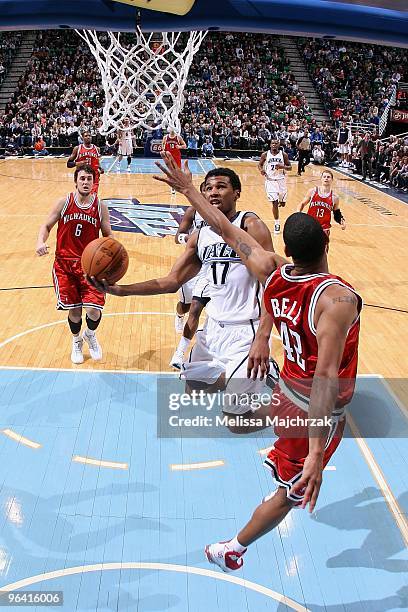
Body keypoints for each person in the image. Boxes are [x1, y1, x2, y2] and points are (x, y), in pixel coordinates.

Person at [152, 151, 362, 572]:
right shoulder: (338, 300)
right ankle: (234, 547)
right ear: (327, 243)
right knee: (290, 493)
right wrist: (318, 454)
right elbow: (324, 380)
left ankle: (267, 409)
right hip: (313, 408)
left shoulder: (274, 273)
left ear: (286, 249)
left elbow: (225, 229)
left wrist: (191, 189)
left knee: (257, 421)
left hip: (287, 390)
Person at [89, 167, 275, 427]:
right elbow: (171, 281)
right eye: (208, 188)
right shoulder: (200, 237)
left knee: (236, 423)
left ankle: (289, 409)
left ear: (237, 193)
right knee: (194, 389)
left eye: (221, 187)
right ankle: (242, 377)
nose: (213, 192)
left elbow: (274, 286)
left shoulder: (251, 225)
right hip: (213, 331)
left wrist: (263, 339)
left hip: (247, 332)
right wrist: (122, 290)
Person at [36, 165, 113, 364]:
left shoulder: (100, 206)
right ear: (76, 181)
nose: (86, 182)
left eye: (89, 179)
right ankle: (77, 340)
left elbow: (108, 235)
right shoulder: (65, 202)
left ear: (94, 182)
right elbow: (46, 226)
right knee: (76, 311)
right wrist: (40, 242)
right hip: (65, 265)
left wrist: (112, 255)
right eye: (82, 179)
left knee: (94, 311)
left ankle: (90, 334)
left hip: (90, 267)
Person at [170, 183, 211, 369]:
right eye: (207, 189)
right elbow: (178, 236)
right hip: (193, 264)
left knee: (198, 309)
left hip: (212, 267)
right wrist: (191, 239)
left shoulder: (221, 213)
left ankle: (179, 354)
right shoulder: (193, 211)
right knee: (186, 306)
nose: (210, 193)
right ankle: (179, 315)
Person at [297, 170, 345, 237]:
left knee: (323, 247)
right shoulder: (313, 191)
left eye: (328, 177)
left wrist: (341, 221)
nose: (326, 178)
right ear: (321, 179)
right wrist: (298, 214)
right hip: (310, 225)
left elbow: (336, 212)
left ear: (332, 180)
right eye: (324, 177)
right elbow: (302, 204)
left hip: (324, 228)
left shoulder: (335, 197)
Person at [258, 140, 291, 235]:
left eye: (276, 143)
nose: (274, 145)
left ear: (279, 145)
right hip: (270, 181)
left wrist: (283, 166)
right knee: (274, 202)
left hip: (281, 180)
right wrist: (261, 170)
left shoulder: (283, 155)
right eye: (272, 143)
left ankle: (282, 200)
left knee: (283, 203)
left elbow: (290, 167)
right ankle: (277, 223)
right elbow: (260, 164)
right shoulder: (265, 154)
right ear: (270, 145)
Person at [162, 128, 187, 194]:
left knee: (178, 171)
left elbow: (185, 146)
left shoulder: (178, 137)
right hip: (169, 156)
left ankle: (177, 184)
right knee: (171, 171)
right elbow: (163, 144)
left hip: (176, 156)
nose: (172, 130)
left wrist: (180, 147)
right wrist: (163, 150)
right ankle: (173, 187)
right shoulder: (165, 137)